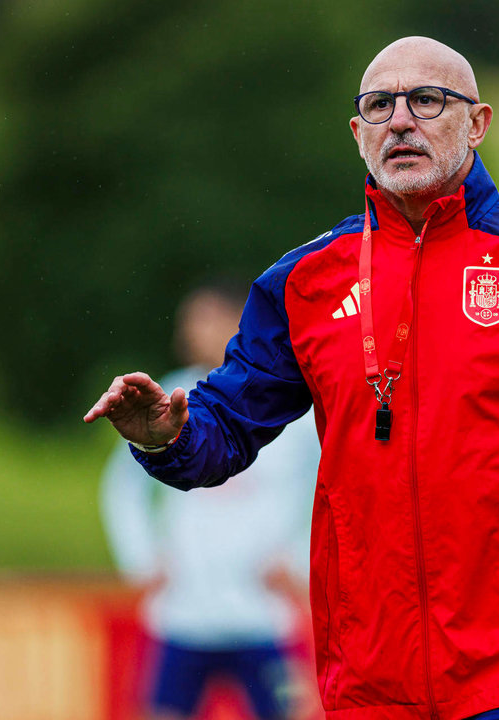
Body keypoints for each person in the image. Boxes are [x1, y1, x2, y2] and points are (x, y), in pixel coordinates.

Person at [86, 36, 499, 720]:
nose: (400, 120)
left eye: (426, 100)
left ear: (477, 123)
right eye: (379, 105)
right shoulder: (305, 279)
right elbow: (224, 428)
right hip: (367, 676)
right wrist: (164, 437)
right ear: (358, 133)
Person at [99, 283, 320, 720]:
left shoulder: (289, 403)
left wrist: (296, 559)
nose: (191, 331)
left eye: (204, 318)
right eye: (189, 322)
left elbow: (326, 484)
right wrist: (143, 558)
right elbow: (123, 486)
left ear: (239, 322)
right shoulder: (168, 397)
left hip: (263, 611)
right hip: (185, 610)